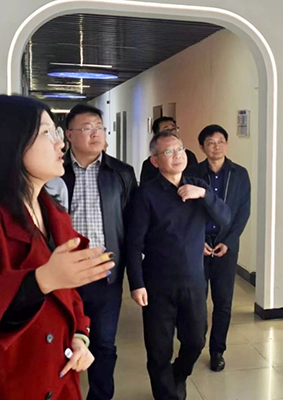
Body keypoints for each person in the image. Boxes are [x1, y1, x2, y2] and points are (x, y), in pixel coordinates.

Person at [0, 95, 115, 399]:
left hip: (59, 376)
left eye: (57, 132)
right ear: (12, 140)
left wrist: (79, 336)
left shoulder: (54, 213)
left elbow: (69, 295)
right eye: (46, 133)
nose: (59, 144)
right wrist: (41, 281)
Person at [127, 132, 230, 400]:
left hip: (194, 280)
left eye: (180, 149)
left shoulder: (198, 186)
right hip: (157, 283)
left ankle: (178, 375)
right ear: (155, 161)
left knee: (196, 340)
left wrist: (204, 195)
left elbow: (225, 218)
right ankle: (166, 395)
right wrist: (136, 283)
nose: (177, 155)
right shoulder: (146, 194)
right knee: (159, 349)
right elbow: (133, 243)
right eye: (169, 152)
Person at [62, 104, 137, 400]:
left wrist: (134, 275)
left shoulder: (121, 173)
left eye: (99, 128)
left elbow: (131, 226)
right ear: (69, 135)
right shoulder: (56, 172)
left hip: (106, 275)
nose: (95, 134)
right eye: (87, 128)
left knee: (104, 344)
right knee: (62, 342)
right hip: (64, 276)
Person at [188, 125, 250, 372]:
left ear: (227, 143)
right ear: (202, 146)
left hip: (226, 246)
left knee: (223, 301)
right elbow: (187, 210)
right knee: (197, 300)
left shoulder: (239, 174)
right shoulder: (192, 173)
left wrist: (230, 241)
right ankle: (195, 343)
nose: (216, 146)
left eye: (221, 141)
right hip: (198, 246)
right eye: (211, 142)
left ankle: (217, 350)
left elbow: (243, 212)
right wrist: (197, 239)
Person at [140, 117, 198, 184]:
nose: (177, 156)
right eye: (167, 130)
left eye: (174, 128)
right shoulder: (149, 164)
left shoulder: (189, 155)